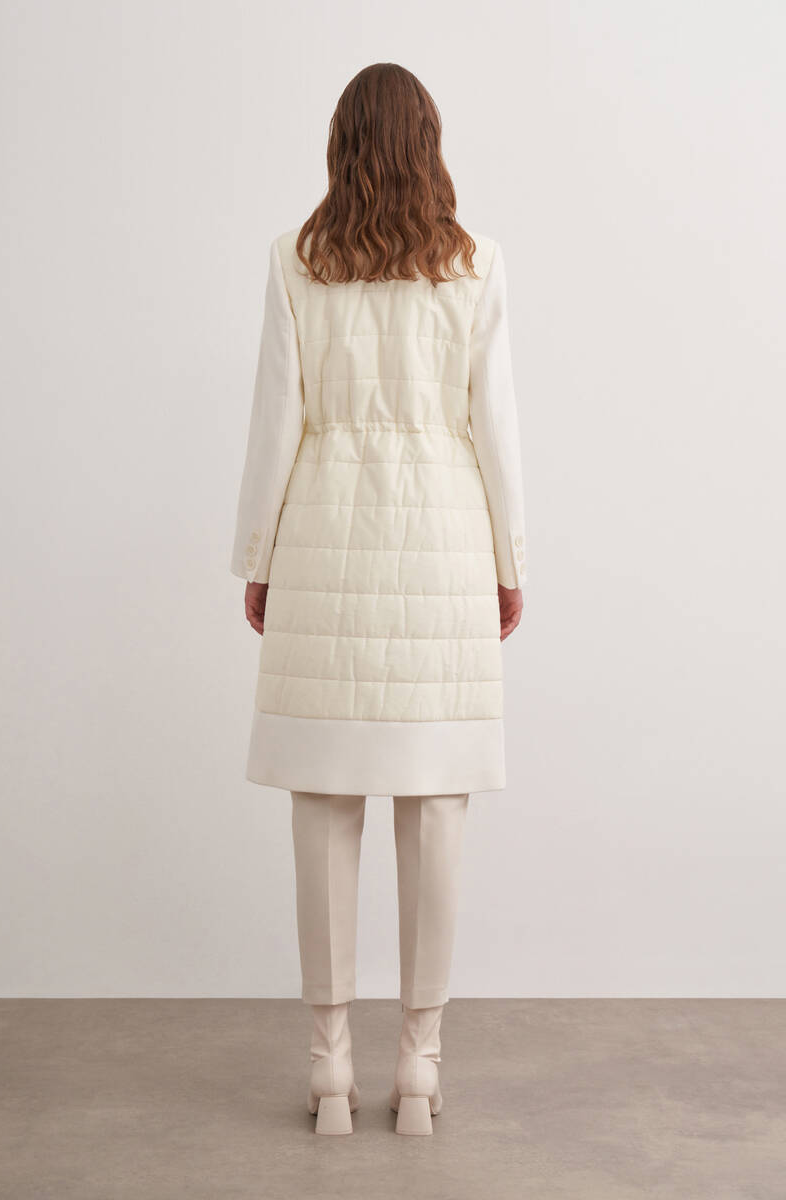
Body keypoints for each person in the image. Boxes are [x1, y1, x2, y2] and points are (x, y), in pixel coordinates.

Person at [231, 62, 526, 1136]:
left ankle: (327, 1072)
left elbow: (277, 420)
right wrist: (509, 560)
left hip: (324, 541)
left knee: (323, 808)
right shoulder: (476, 263)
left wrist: (257, 557)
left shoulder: (295, 259)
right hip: (442, 546)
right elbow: (495, 427)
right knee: (434, 810)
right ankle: (419, 1069)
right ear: (427, 142)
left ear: (342, 143)